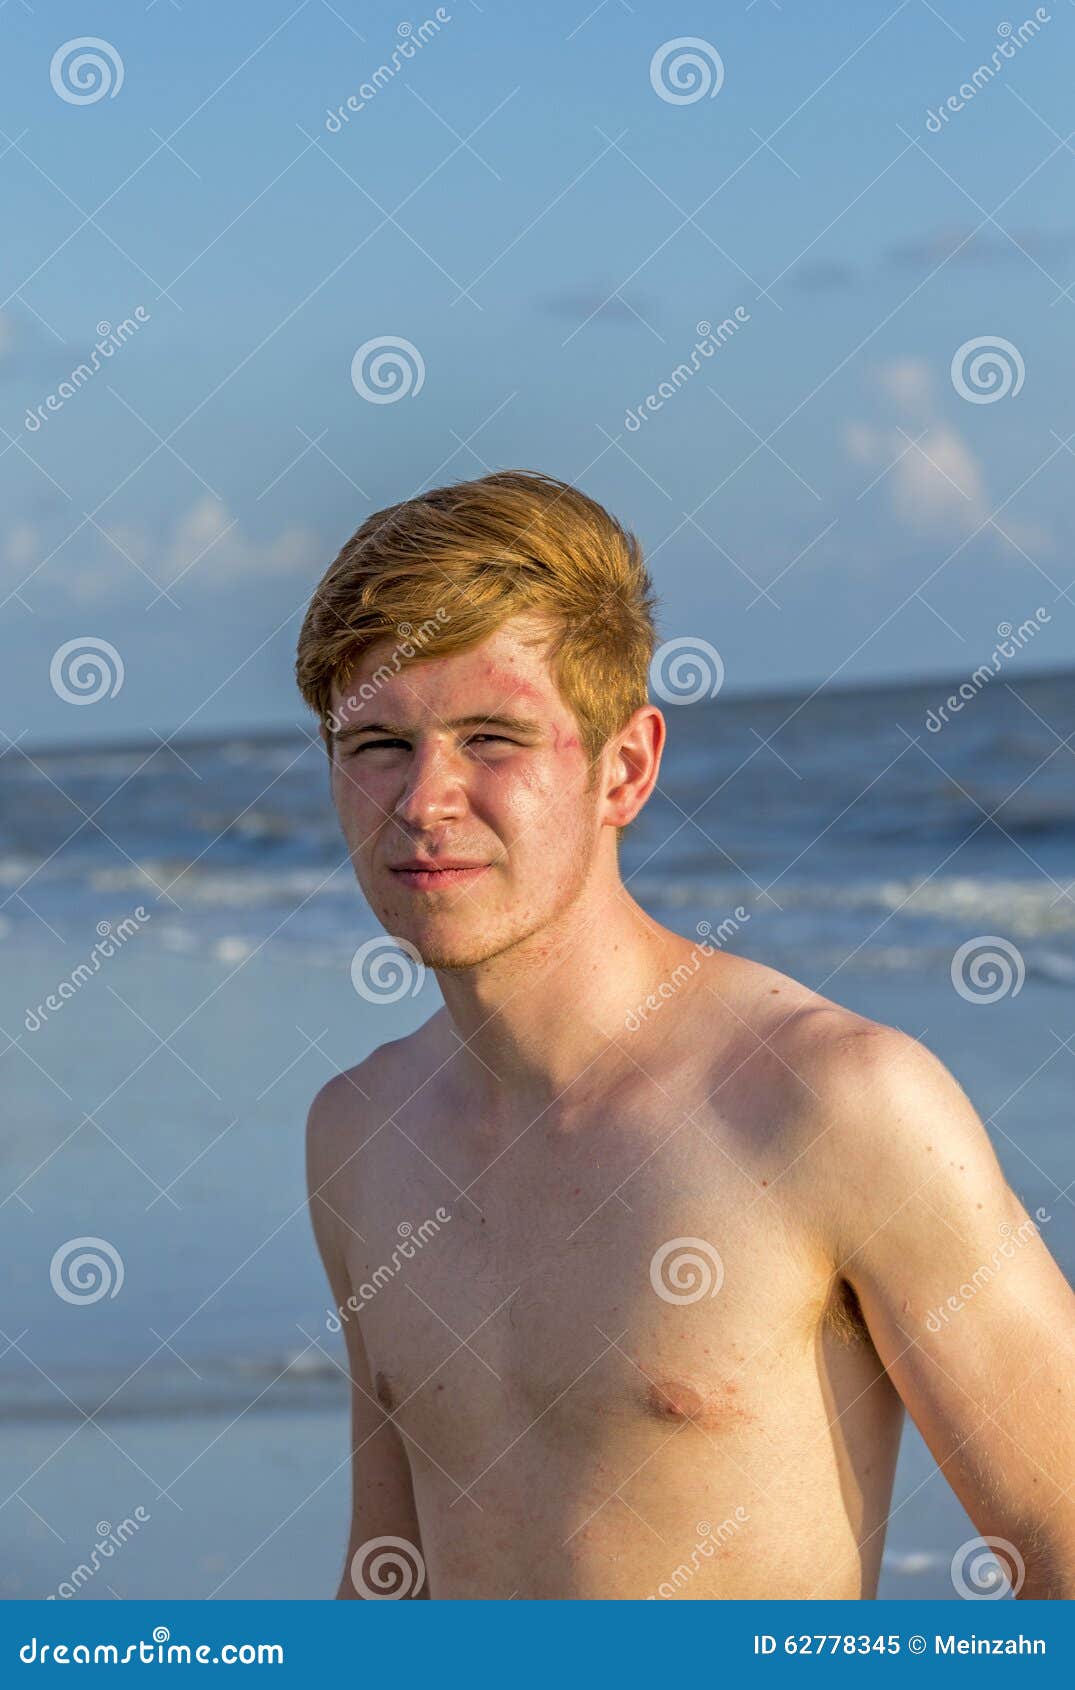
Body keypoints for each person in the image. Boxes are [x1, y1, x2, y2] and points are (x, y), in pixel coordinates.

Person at [294, 469, 1075, 1600]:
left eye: (493, 737)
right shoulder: (360, 1134)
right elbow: (387, 1585)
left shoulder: (832, 1101)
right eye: (376, 744)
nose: (423, 800)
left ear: (626, 767)